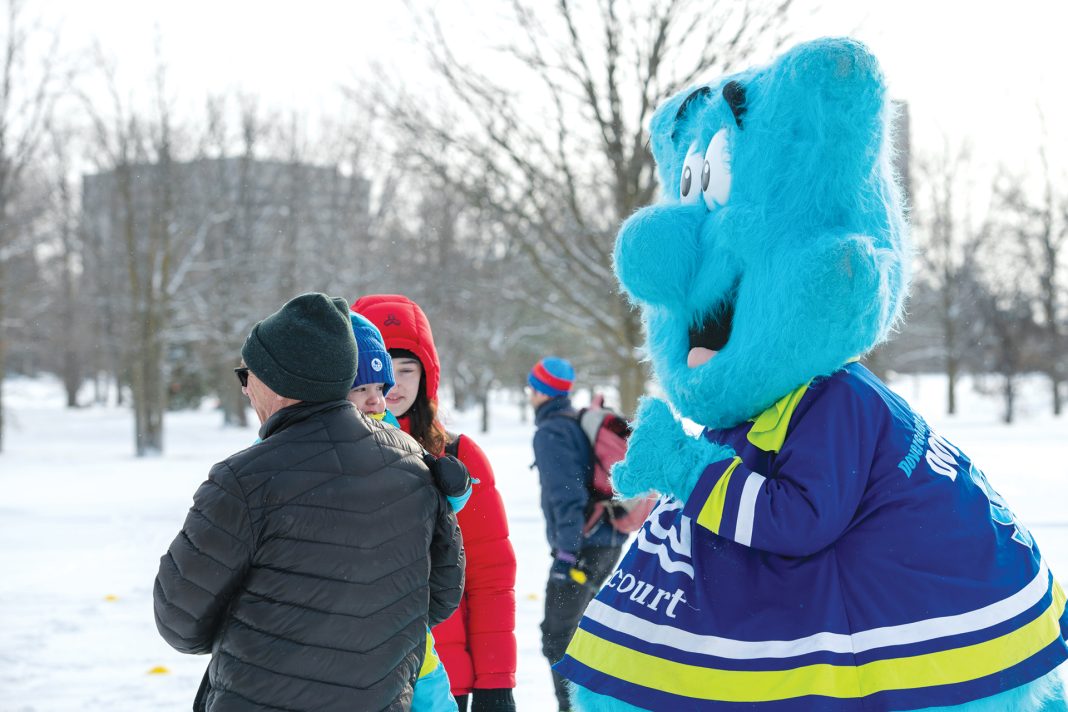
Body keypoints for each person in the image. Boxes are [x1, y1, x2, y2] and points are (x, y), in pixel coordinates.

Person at [153, 292, 465, 712]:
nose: (245, 391)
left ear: (281, 382)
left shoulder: (243, 481)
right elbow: (442, 597)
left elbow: (180, 620)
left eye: (248, 376)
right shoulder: (414, 464)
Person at [353, 294, 517, 712]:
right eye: (383, 367)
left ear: (428, 376)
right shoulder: (328, 456)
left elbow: (490, 577)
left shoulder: (459, 458)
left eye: (408, 369)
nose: (395, 383)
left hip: (446, 682)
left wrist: (496, 681)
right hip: (355, 678)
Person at [346, 309, 471, 712]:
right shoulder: (326, 443)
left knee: (431, 694)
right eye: (360, 387)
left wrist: (454, 488)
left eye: (379, 386)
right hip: (356, 621)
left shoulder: (395, 435)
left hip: (409, 616)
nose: (377, 397)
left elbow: (437, 507)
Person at [527, 357, 626, 712]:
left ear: (540, 391)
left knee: (558, 637)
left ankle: (574, 708)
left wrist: (566, 557)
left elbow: (566, 496)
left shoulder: (553, 432)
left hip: (582, 548)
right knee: (584, 633)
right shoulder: (574, 422)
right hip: (607, 540)